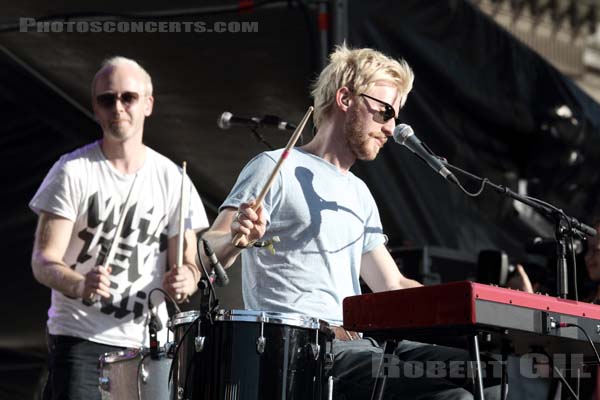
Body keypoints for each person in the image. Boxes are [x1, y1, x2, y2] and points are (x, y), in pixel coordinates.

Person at [204, 45, 499, 399]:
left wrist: (483, 306)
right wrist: (235, 238)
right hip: (311, 351)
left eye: (395, 117)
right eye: (384, 111)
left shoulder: (359, 193)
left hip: (361, 345)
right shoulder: (274, 167)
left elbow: (392, 285)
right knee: (454, 398)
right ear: (345, 98)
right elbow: (206, 253)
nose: (391, 128)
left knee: (488, 369)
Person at [30, 56, 209, 399]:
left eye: (128, 97)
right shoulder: (73, 171)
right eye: (107, 99)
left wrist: (188, 278)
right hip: (81, 340)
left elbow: (187, 265)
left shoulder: (173, 179)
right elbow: (43, 260)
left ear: (148, 104)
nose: (118, 107)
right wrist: (80, 283)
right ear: (95, 108)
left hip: (149, 344)